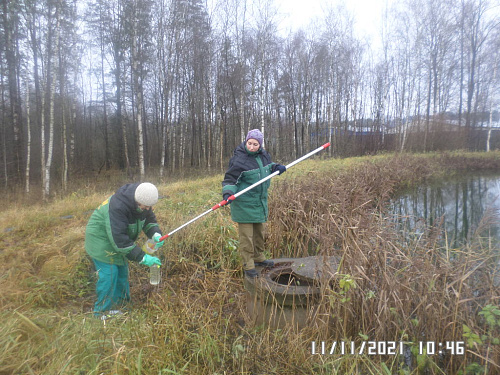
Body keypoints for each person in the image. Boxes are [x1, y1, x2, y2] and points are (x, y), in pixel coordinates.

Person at [85, 182, 164, 318]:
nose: (148, 209)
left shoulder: (144, 203)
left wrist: (155, 234)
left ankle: (121, 306)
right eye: (145, 206)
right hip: (101, 240)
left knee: (122, 272)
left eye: (149, 207)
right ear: (137, 201)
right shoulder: (117, 207)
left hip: (117, 240)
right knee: (109, 274)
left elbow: (149, 221)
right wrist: (143, 258)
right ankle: (101, 312)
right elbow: (120, 240)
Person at [222, 129, 286, 278]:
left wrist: (276, 167)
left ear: (260, 145)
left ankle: (259, 257)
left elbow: (268, 167)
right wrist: (228, 193)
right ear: (246, 142)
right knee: (247, 238)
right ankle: (248, 264)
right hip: (244, 204)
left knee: (259, 233)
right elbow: (230, 179)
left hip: (259, 203)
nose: (251, 147)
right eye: (249, 143)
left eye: (255, 144)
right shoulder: (239, 160)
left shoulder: (264, 156)